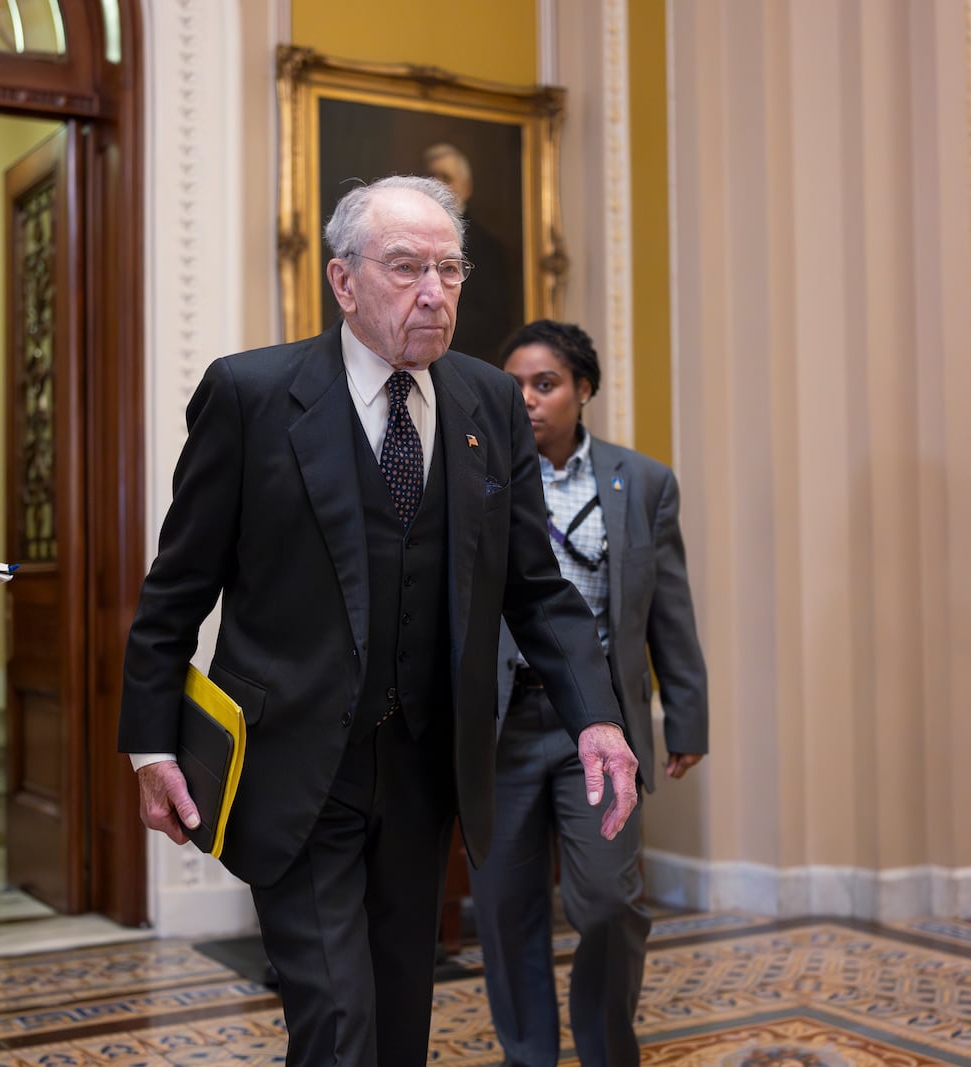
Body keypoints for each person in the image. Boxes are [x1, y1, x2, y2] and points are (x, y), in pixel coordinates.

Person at [118, 175, 640, 1066]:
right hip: (293, 767)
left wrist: (596, 714)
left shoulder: (486, 405)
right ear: (343, 279)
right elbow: (178, 587)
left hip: (426, 772)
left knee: (401, 1026)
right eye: (406, 267)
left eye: (449, 268)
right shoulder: (250, 396)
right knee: (337, 1025)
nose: (432, 291)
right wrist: (150, 743)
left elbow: (534, 586)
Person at [472, 320, 709, 1067]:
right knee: (507, 910)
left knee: (608, 900)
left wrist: (688, 714)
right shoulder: (476, 479)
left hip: (599, 726)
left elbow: (666, 605)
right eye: (514, 385)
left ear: (584, 391)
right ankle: (529, 1056)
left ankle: (608, 1052)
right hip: (504, 722)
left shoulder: (643, 483)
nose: (528, 400)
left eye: (545, 384)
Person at [423, 142, 519, 364]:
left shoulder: (488, 247)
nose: (437, 185)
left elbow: (494, 321)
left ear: (466, 187)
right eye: (431, 176)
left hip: (461, 363)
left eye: (446, 178)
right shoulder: (407, 238)